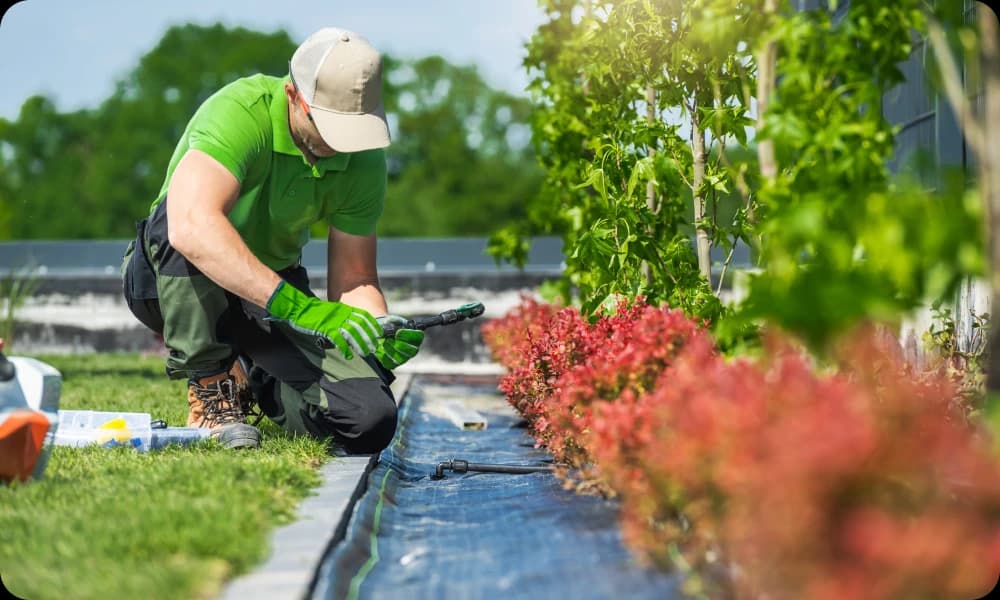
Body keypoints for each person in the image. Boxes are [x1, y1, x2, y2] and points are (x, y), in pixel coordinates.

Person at [120, 28, 424, 451]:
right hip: (169, 282)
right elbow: (189, 225)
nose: (340, 146)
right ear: (294, 96)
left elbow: (355, 276)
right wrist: (295, 306)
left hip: (268, 289)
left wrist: (372, 333)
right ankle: (213, 391)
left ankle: (261, 380)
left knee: (370, 420)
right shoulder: (240, 113)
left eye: (351, 130)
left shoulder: (365, 157)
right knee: (183, 216)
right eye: (329, 126)